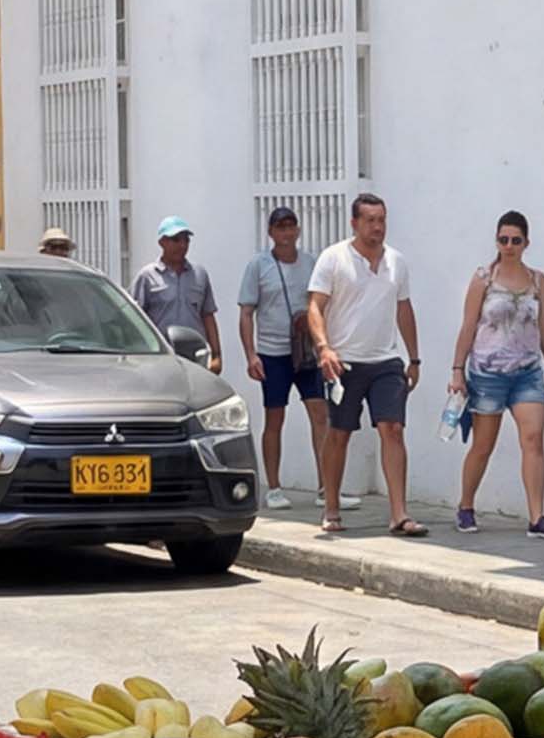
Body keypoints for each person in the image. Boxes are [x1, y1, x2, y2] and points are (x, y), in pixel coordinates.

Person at [306, 192, 425, 540]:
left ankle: (399, 514)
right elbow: (315, 306)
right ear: (354, 223)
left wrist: (414, 357)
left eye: (382, 219)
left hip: (385, 359)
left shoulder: (396, 262)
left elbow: (404, 308)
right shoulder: (334, 258)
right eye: (370, 220)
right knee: (339, 433)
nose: (377, 227)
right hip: (343, 361)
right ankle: (330, 506)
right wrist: (324, 348)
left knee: (393, 428)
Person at [448, 210, 544, 538]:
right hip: (488, 372)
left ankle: (537, 516)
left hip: (527, 371)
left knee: (533, 438)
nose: (509, 246)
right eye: (503, 240)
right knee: (484, 443)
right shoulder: (483, 278)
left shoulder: (538, 280)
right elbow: (468, 324)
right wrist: (457, 370)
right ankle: (466, 505)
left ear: (526, 243)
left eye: (515, 240)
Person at [236, 206, 325, 512]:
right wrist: (251, 355)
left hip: (306, 350)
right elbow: (246, 313)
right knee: (275, 417)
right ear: (271, 232)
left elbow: (319, 303)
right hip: (272, 352)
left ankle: (327, 486)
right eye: (280, 227)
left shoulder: (311, 263)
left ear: (298, 231)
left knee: (319, 413)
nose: (286, 233)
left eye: (291, 227)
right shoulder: (258, 266)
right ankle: (273, 487)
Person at [131, 216, 221, 371]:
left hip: (195, 356)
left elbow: (208, 316)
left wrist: (217, 356)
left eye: (186, 240)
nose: (182, 245)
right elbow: (135, 320)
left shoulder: (199, 274)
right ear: (162, 242)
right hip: (161, 358)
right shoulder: (147, 277)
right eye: (176, 240)